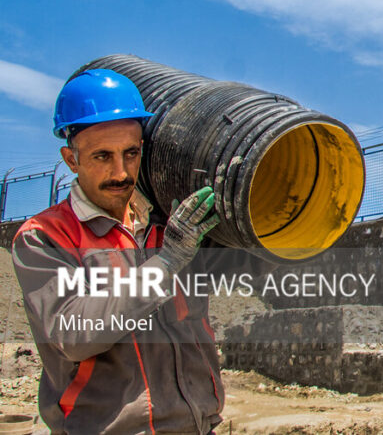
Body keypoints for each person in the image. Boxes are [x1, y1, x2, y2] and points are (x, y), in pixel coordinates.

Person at [12, 68, 224, 434]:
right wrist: (167, 262)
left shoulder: (168, 225)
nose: (121, 172)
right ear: (71, 159)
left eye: (130, 153)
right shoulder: (45, 237)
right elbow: (74, 335)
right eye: (102, 157)